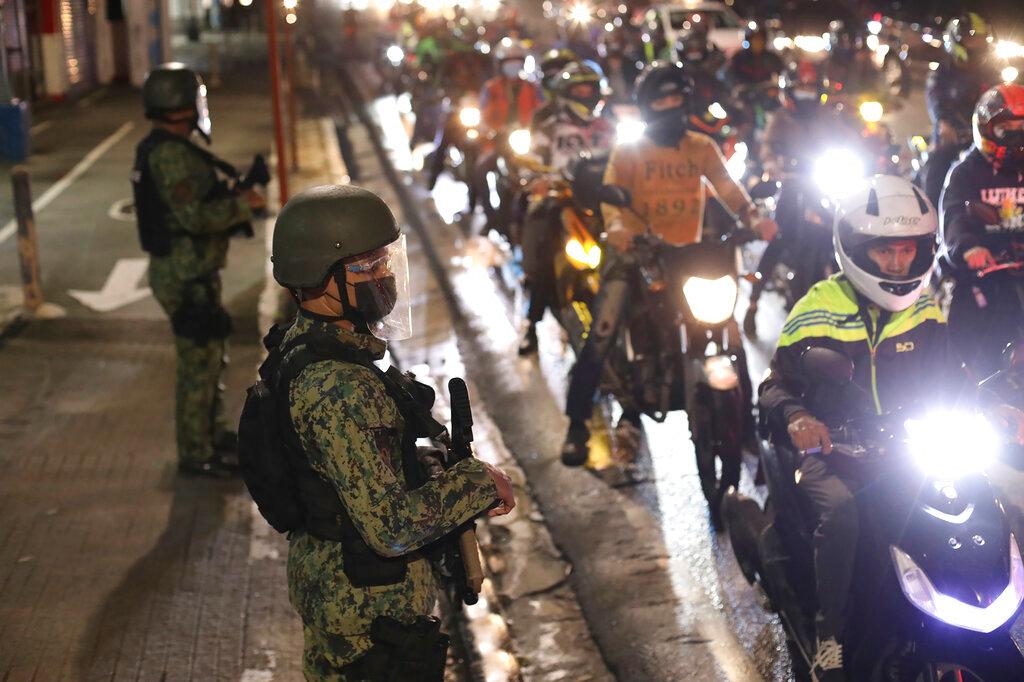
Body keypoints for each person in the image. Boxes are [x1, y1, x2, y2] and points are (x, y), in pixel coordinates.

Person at [269, 185, 517, 679]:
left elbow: (346, 474)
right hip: (367, 611)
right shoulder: (338, 386)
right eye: (367, 267)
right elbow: (392, 527)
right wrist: (478, 483)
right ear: (318, 274)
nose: (384, 277)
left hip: (344, 592)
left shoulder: (310, 345)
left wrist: (422, 467)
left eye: (385, 263)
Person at [760, 176, 952, 682]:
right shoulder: (819, 306)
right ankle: (830, 639)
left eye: (908, 251)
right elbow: (773, 386)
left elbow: (952, 374)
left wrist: (995, 406)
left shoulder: (925, 307)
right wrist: (800, 418)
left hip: (908, 448)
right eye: (885, 251)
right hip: (835, 449)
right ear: (859, 251)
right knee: (843, 515)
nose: (897, 264)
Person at [559, 61, 776, 465]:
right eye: (662, 100)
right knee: (603, 330)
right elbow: (612, 200)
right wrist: (621, 230)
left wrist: (753, 219)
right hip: (635, 254)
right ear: (647, 106)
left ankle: (747, 428)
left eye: (676, 98)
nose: (670, 106)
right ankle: (576, 424)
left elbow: (727, 187)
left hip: (688, 255)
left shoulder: (701, 147)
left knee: (726, 330)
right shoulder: (628, 152)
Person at [132, 63, 265, 477]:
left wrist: (233, 192)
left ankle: (211, 434)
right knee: (197, 367)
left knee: (211, 359)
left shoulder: (170, 148)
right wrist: (246, 205)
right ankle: (196, 453)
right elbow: (193, 217)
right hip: (183, 277)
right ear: (182, 108)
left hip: (193, 273)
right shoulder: (171, 155)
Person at [744, 60, 863, 336]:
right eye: (801, 88)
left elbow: (850, 141)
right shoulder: (780, 120)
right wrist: (775, 165)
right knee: (778, 236)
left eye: (811, 88)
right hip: (793, 187)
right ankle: (753, 302)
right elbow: (767, 151)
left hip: (825, 187)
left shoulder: (828, 115)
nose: (806, 93)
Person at [518, 61, 615, 355]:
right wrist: (536, 181)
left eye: (590, 88)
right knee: (545, 263)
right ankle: (531, 325)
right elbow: (531, 164)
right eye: (579, 89)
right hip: (562, 203)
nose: (585, 94)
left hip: (604, 204)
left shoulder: (609, 127)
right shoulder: (549, 126)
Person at [939, 83, 1024, 379]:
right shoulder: (965, 172)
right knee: (971, 341)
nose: (1017, 138)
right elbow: (953, 216)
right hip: (983, 276)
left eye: (1022, 129)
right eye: (1008, 130)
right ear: (988, 129)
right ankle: (973, 387)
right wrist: (968, 248)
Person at [921, 12, 1000, 207]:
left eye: (981, 39)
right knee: (935, 170)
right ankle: (930, 220)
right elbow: (935, 102)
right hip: (952, 136)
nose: (978, 44)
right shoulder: (941, 73)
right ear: (957, 41)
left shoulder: (991, 72)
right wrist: (944, 123)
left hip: (984, 136)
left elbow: (1001, 98)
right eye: (972, 39)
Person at [724, 25, 783, 90]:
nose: (758, 42)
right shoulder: (740, 57)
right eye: (756, 39)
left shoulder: (772, 58)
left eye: (761, 40)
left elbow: (780, 73)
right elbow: (730, 74)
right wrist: (736, 86)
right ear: (750, 40)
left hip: (766, 92)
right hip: (745, 92)